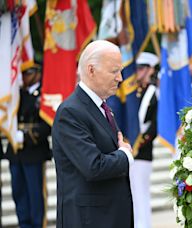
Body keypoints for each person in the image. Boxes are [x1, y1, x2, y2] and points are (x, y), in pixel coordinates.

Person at [52, 40, 135, 228]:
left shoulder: (102, 108)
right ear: (91, 70)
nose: (120, 78)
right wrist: (125, 155)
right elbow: (93, 166)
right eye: (114, 71)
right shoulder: (71, 112)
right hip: (89, 220)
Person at [5, 63, 51, 228]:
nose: (22, 77)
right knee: (19, 193)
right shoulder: (16, 94)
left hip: (34, 152)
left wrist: (25, 136)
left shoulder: (45, 95)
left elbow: (47, 124)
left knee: (35, 195)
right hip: (15, 153)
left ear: (37, 73)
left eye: (26, 73)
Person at [132, 52, 159, 228]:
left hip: (143, 151)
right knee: (132, 194)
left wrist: (140, 142)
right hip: (130, 149)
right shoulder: (133, 93)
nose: (138, 72)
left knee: (141, 194)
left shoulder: (154, 93)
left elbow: (155, 125)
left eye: (142, 68)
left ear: (150, 70)